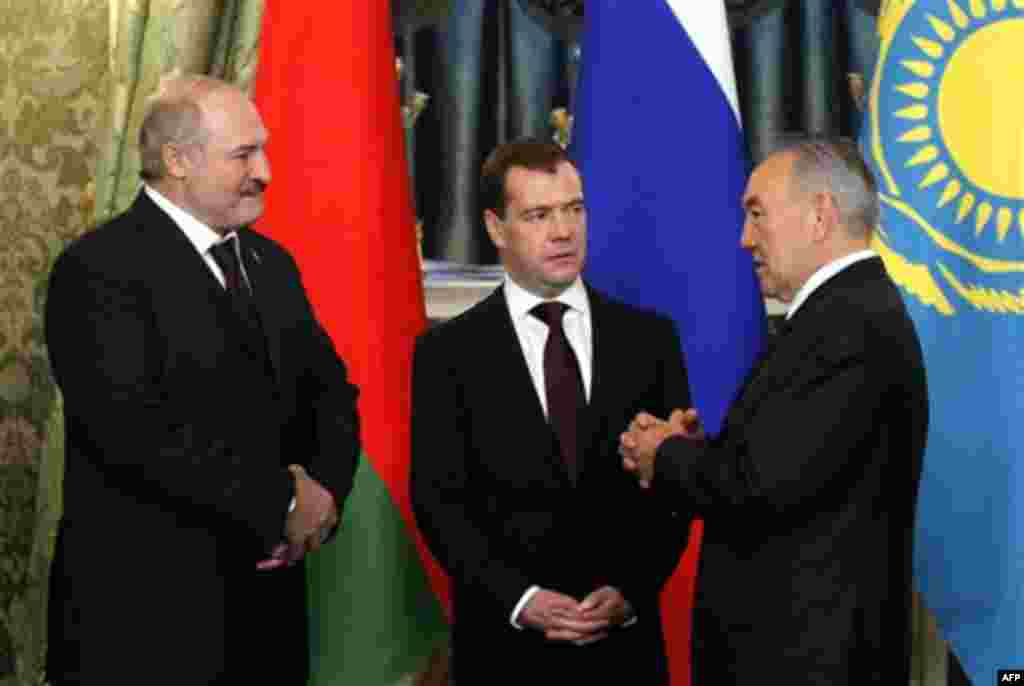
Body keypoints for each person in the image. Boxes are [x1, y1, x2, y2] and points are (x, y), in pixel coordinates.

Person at [44, 75, 360, 685]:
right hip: (144, 628)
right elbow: (133, 432)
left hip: (266, 621)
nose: (265, 170)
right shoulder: (99, 270)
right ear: (177, 161)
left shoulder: (271, 264)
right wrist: (283, 503)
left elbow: (331, 393)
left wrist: (324, 490)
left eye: (263, 150)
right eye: (244, 153)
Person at [621, 138, 928, 685]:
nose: (744, 239)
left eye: (757, 214)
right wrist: (695, 450)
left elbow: (758, 486)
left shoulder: (848, 327)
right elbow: (789, 465)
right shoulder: (841, 315)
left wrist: (662, 452)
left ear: (819, 216)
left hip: (807, 663)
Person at [410, 138, 691, 685]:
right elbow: (440, 501)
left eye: (574, 210)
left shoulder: (649, 340)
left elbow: (673, 494)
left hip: (623, 653)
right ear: (496, 228)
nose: (563, 232)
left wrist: (631, 592)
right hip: (504, 652)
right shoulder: (448, 354)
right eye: (539, 215)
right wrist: (521, 599)